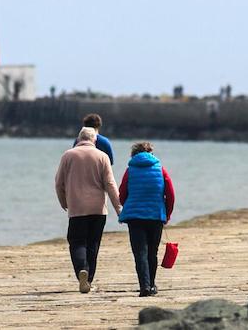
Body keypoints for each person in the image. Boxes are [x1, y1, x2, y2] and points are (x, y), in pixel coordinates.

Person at [56, 127, 122, 293]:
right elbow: (110, 184)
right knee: (93, 244)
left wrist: (64, 201)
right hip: (98, 208)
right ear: (95, 140)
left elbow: (59, 182)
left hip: (77, 207)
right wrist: (119, 207)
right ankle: (89, 280)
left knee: (77, 242)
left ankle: (81, 271)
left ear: (79, 139)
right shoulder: (102, 156)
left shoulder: (68, 155)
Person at [118, 142, 176, 297]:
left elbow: (122, 194)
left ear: (133, 154)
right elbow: (170, 194)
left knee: (140, 253)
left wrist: (130, 205)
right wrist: (167, 214)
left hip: (135, 218)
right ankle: (152, 284)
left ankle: (144, 286)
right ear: (151, 153)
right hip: (155, 216)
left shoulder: (130, 170)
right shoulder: (160, 169)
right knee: (152, 252)